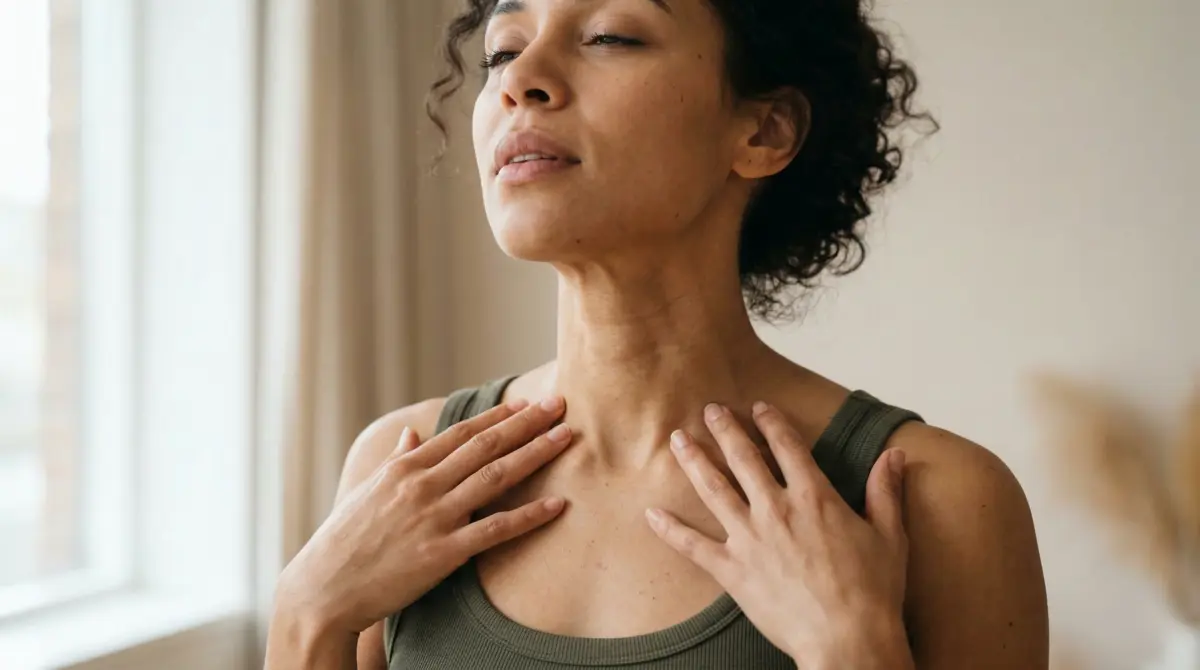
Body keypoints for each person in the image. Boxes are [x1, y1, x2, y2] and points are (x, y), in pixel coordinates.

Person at [265, 0, 1049, 667]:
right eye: (501, 49)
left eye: (610, 36)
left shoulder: (942, 504)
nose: (519, 80)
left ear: (765, 131)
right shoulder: (397, 466)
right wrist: (308, 619)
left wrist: (855, 652)